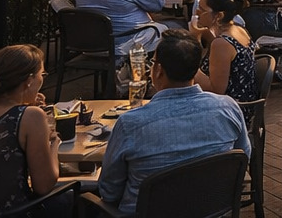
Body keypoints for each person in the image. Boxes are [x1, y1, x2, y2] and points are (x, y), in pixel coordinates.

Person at [98, 30, 252, 216]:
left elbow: (109, 191)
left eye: (152, 62)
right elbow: (243, 158)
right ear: (196, 69)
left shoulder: (130, 124)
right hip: (212, 210)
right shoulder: (228, 108)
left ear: (159, 70)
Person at [0, 44, 61, 214]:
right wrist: (54, 144)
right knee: (70, 197)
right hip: (13, 212)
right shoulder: (30, 117)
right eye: (42, 75)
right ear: (29, 81)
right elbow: (43, 186)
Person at [190, 0, 258, 102]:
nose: (197, 13)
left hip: (229, 108)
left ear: (219, 15)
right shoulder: (239, 29)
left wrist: (188, 68)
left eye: (201, 10)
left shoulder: (221, 44)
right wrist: (198, 36)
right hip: (245, 100)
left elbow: (216, 90)